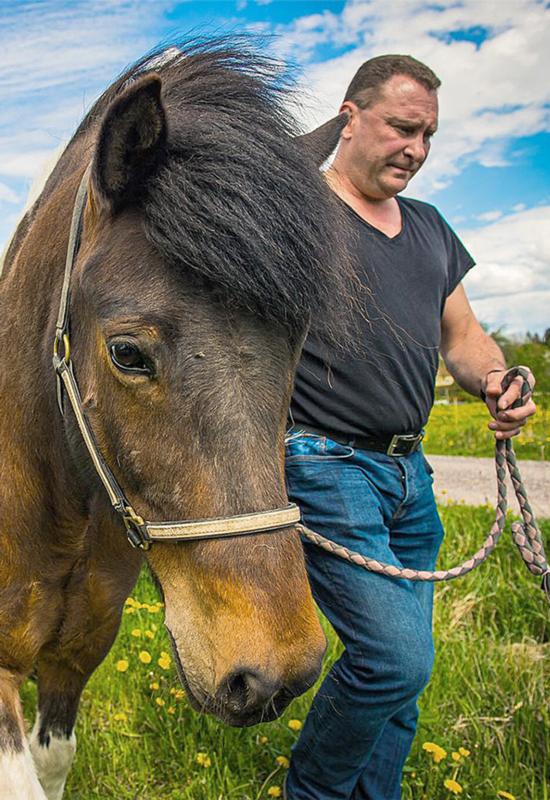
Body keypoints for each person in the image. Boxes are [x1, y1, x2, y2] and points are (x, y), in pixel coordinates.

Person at [284, 55, 536, 800]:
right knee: (394, 660)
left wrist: (497, 379)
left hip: (409, 475)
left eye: (428, 135)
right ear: (350, 117)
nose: (416, 149)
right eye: (402, 127)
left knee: (403, 674)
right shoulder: (295, 212)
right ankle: (315, 793)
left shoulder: (429, 227)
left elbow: (463, 337)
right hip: (323, 463)